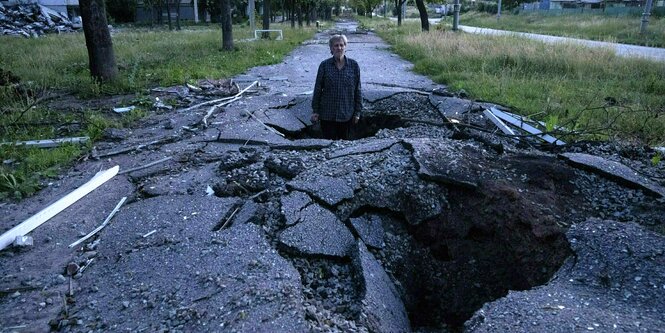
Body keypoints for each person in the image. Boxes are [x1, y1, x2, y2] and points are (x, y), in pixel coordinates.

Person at [311, 34, 362, 140]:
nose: (339, 48)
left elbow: (358, 90)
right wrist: (315, 110)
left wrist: (357, 112)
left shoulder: (354, 66)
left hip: (346, 115)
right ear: (331, 48)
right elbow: (318, 89)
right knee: (328, 145)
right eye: (336, 45)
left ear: (345, 47)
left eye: (341, 45)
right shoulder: (324, 65)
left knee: (344, 146)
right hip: (327, 115)